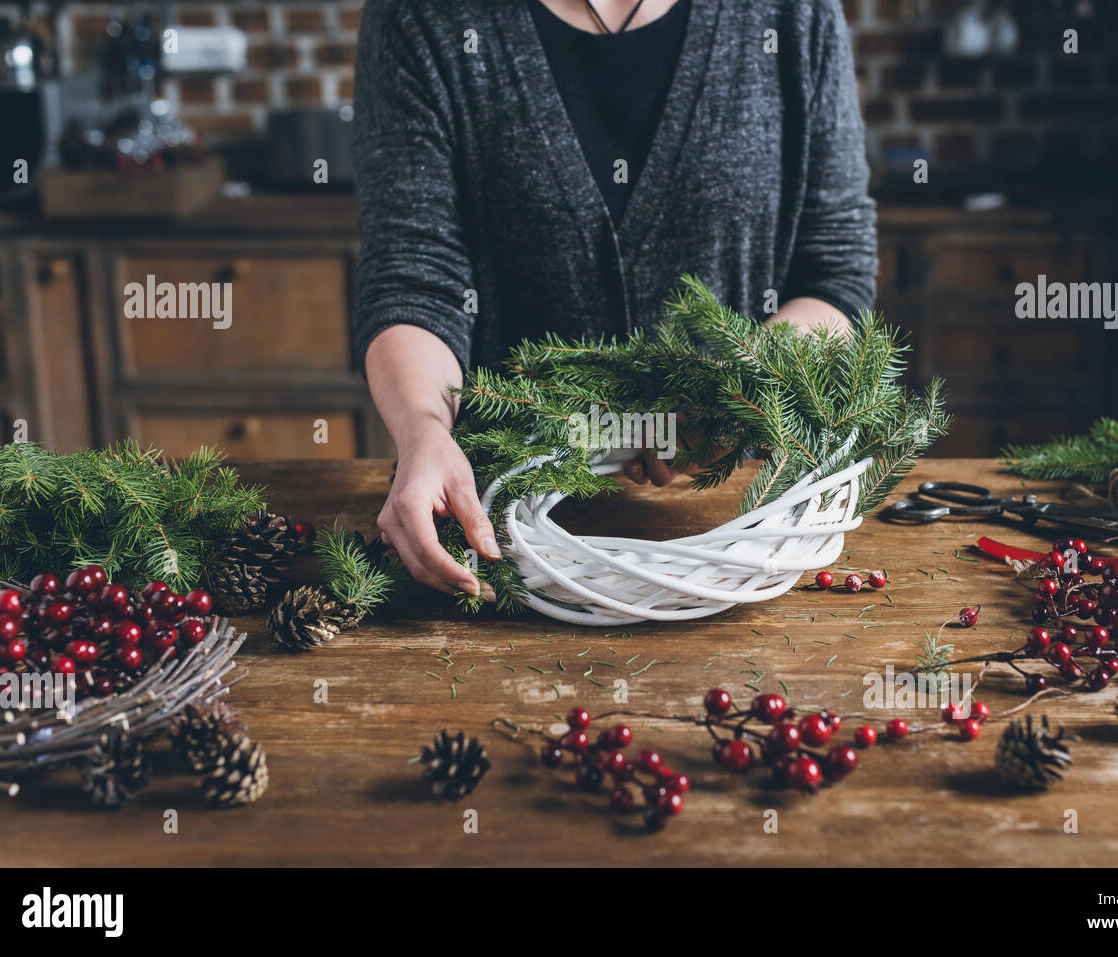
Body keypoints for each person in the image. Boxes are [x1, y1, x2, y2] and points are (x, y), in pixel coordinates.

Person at [353, 0, 877, 599]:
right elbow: (412, 272)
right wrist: (423, 429)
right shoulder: (421, 16)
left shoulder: (793, 12)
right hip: (493, 542)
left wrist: (739, 389)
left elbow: (835, 271)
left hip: (742, 533)